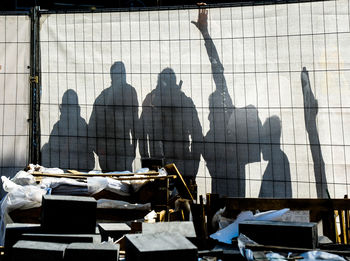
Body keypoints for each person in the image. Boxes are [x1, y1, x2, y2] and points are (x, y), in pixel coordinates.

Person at [193, 8, 262, 196]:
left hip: (224, 204)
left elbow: (218, 71)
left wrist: (206, 34)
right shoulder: (225, 138)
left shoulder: (213, 138)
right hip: (231, 203)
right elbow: (218, 71)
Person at [138, 68, 202, 178]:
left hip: (168, 161)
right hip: (169, 161)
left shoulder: (151, 101)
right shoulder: (152, 102)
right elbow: (197, 135)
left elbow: (141, 134)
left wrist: (146, 161)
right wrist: (193, 164)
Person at [88, 61, 138, 172]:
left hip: (112, 150)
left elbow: (91, 128)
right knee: (123, 185)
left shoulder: (103, 97)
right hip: (120, 149)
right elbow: (135, 125)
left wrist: (100, 150)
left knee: (111, 185)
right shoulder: (129, 92)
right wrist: (132, 149)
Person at [42, 89, 92, 171]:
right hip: (61, 173)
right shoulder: (58, 127)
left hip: (80, 174)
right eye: (66, 106)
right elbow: (51, 158)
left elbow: (89, 159)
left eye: (69, 107)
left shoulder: (82, 126)